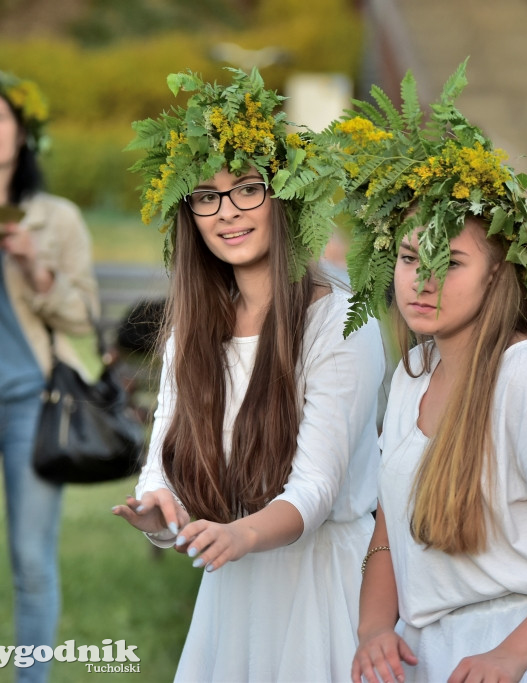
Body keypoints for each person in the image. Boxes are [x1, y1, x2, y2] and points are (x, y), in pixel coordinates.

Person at [329, 61, 527, 683]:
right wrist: (373, 631)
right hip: (429, 652)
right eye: (411, 257)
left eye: (452, 262)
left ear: (499, 272)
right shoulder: (413, 373)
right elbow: (392, 528)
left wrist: (510, 656)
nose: (423, 278)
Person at [111, 68, 384, 681]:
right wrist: (160, 512)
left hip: (321, 588)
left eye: (248, 189)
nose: (226, 212)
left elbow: (315, 488)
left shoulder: (339, 322)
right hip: (234, 587)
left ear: (286, 195)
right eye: (206, 196)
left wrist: (241, 537)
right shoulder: (196, 327)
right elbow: (166, 453)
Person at [0, 67, 98, 683]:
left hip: (35, 406)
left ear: (21, 134)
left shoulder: (58, 217)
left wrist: (33, 266)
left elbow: (86, 317)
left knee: (32, 561)